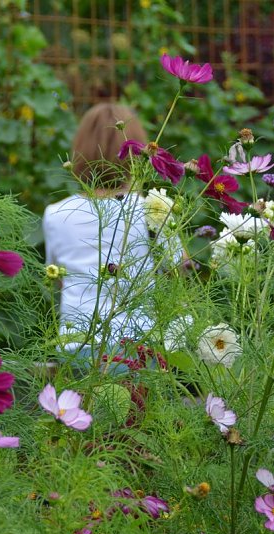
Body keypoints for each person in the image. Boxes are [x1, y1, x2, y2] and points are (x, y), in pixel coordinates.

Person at [43, 103, 182, 368]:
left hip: (77, 348)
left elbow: (57, 279)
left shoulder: (56, 214)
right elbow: (178, 270)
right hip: (139, 348)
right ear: (138, 152)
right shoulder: (152, 209)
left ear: (79, 150)